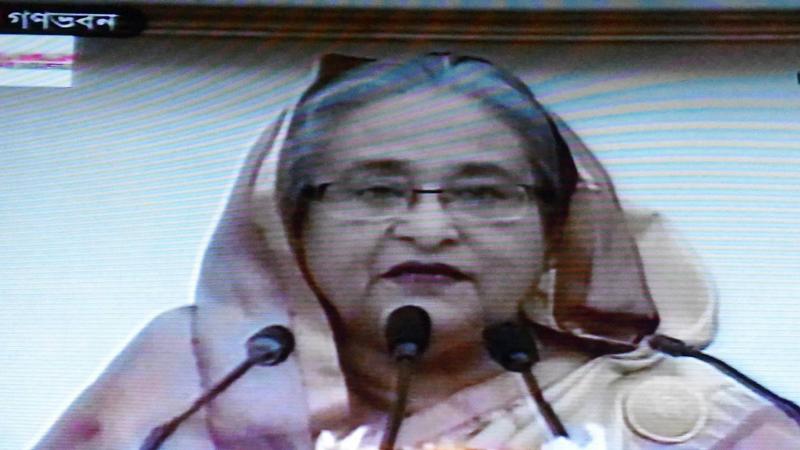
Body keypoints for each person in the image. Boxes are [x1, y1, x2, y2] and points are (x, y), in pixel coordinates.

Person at [34, 53, 799, 450]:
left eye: (483, 193)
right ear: (291, 225)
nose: (429, 230)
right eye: (374, 190)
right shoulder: (188, 385)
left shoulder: (682, 420)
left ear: (554, 230)